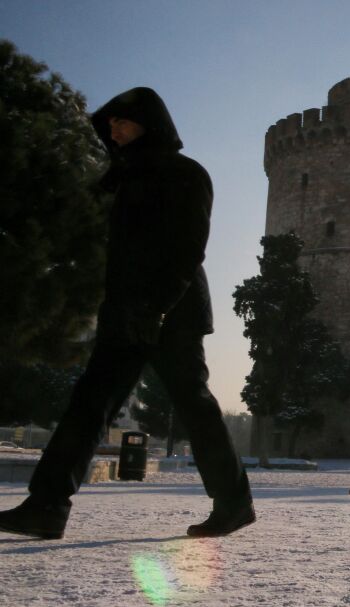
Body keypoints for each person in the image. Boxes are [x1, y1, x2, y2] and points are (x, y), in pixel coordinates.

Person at [0, 88, 253, 540]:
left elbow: (188, 246)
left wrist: (157, 308)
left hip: (170, 312)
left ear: (149, 122)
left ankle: (233, 504)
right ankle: (46, 506)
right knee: (88, 404)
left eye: (122, 121)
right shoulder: (118, 178)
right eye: (110, 123)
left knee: (194, 406)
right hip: (123, 310)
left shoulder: (185, 173)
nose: (113, 129)